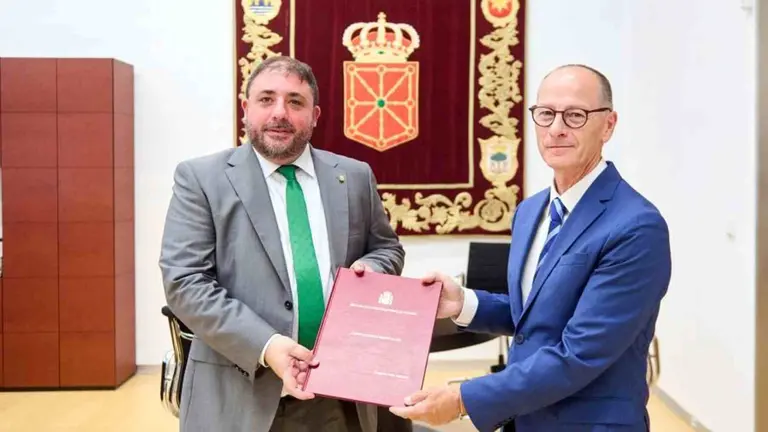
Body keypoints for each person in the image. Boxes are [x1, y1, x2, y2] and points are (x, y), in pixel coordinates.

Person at [390, 64, 672, 431]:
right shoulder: (531, 211)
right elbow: (536, 317)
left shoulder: (636, 226)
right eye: (546, 114)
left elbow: (580, 353)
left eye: (575, 115)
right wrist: (463, 302)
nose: (556, 128)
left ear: (608, 124)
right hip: (525, 420)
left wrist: (462, 399)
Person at [159, 56, 406, 432]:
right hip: (240, 394)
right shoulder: (202, 179)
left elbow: (387, 249)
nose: (280, 113)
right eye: (266, 99)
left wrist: (371, 270)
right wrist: (266, 345)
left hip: (341, 397)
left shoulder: (354, 176)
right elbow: (185, 282)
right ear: (245, 108)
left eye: (295, 102)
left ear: (315, 114)